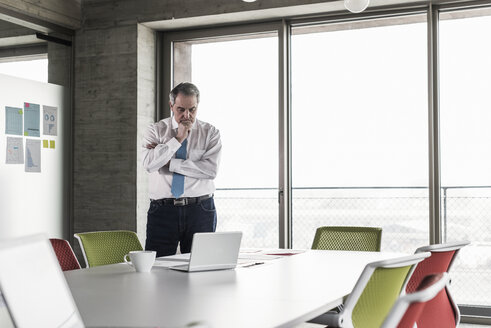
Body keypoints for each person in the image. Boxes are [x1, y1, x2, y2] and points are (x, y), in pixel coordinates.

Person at [142, 82, 222, 257]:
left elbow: (210, 171)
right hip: (162, 211)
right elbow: (149, 165)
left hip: (200, 210)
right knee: (157, 269)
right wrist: (177, 139)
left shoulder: (210, 133)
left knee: (201, 269)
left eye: (192, 109)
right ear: (171, 105)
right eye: (181, 109)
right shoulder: (155, 131)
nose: (187, 115)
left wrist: (168, 162)